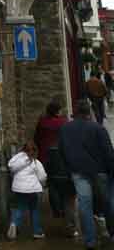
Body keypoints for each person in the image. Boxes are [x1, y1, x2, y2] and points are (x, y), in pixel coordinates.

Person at [59, 99, 114, 249]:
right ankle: (111, 231)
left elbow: (62, 151)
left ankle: (90, 240)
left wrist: (69, 169)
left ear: (75, 112)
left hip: (78, 171)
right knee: (107, 202)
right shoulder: (97, 128)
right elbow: (108, 152)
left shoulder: (65, 129)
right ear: (88, 112)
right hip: (100, 170)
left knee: (85, 206)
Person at [34, 97, 77, 236]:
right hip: (58, 156)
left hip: (45, 156)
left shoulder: (42, 121)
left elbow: (36, 137)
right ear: (57, 111)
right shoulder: (63, 122)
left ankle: (56, 209)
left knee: (51, 183)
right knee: (62, 183)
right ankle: (63, 210)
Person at [7, 140, 48, 240]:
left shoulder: (16, 159)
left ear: (23, 149)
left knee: (19, 208)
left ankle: (14, 223)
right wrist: (41, 183)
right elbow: (42, 176)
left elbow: (11, 167)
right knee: (34, 210)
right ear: (35, 150)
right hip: (32, 190)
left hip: (19, 189)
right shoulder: (35, 162)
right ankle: (37, 232)